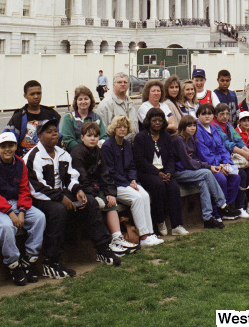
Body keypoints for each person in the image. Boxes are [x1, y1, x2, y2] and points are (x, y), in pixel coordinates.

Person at [25, 118, 121, 277]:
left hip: (60, 194)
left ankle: (102, 249)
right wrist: (61, 198)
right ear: (39, 136)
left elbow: (71, 178)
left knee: (89, 202)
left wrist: (77, 190)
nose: (54, 134)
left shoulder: (62, 154)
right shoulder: (33, 156)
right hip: (40, 199)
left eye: (55, 131)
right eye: (48, 132)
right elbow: (36, 187)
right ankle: (51, 261)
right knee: (58, 211)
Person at [0, 131, 46, 286]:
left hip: (16, 202)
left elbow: (24, 189)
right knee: (6, 227)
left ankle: (29, 259)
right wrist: (11, 213)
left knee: (39, 217)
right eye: (3, 147)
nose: (7, 150)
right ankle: (13, 264)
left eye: (10, 145)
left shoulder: (20, 163)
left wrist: (22, 211)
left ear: (16, 146)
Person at [70, 122, 138, 256]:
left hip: (96, 186)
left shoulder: (98, 151)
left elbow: (105, 174)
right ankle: (107, 243)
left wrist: (110, 192)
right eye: (89, 136)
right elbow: (81, 177)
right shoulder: (77, 152)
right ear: (82, 137)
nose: (93, 139)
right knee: (96, 204)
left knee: (111, 201)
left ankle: (117, 237)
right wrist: (93, 195)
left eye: (95, 136)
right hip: (81, 190)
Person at [101, 115, 163, 248]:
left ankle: (150, 233)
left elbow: (131, 166)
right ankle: (143, 236)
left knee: (145, 195)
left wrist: (133, 179)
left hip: (129, 182)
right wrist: (128, 182)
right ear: (114, 129)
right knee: (136, 198)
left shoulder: (127, 144)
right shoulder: (107, 146)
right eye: (119, 127)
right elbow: (110, 171)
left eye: (125, 127)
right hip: (115, 184)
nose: (122, 129)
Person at [132, 107, 189, 236]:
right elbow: (140, 161)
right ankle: (160, 221)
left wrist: (168, 172)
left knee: (173, 187)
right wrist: (157, 173)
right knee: (158, 185)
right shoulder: (141, 137)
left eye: (160, 120)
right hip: (147, 173)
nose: (157, 123)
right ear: (148, 121)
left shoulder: (165, 136)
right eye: (154, 120)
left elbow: (170, 157)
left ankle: (176, 225)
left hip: (165, 172)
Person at [171, 114, 231, 228]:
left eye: (194, 125)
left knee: (203, 184)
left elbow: (195, 159)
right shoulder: (179, 140)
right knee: (207, 173)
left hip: (190, 172)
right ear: (183, 127)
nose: (193, 128)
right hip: (179, 172)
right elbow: (187, 162)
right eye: (189, 126)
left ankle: (207, 218)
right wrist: (208, 167)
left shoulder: (191, 138)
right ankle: (222, 204)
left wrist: (205, 165)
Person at [195, 103, 241, 218]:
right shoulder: (197, 130)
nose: (207, 116)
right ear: (198, 115)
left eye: (210, 113)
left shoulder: (214, 129)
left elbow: (222, 148)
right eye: (203, 114)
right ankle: (217, 211)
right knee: (221, 178)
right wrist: (219, 165)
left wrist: (227, 162)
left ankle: (228, 207)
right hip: (208, 165)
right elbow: (203, 153)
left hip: (222, 163)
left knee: (235, 175)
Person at [213, 103, 249, 217]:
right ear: (216, 115)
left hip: (232, 155)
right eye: (222, 114)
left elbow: (238, 139)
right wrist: (244, 153)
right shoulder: (215, 127)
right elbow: (227, 144)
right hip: (223, 158)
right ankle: (239, 206)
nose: (225, 116)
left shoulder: (228, 125)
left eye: (227, 114)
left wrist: (248, 152)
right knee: (240, 173)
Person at [6, 80, 61, 157]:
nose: (36, 96)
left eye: (38, 93)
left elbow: (57, 137)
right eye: (32, 94)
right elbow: (7, 139)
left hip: (47, 156)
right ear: (25, 96)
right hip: (24, 158)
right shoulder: (18, 117)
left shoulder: (51, 114)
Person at [61, 86, 107, 151]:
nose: (83, 102)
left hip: (95, 154)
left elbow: (103, 137)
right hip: (75, 155)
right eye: (80, 99)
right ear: (76, 102)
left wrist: (94, 149)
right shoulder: (69, 118)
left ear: (91, 100)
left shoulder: (97, 118)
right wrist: (83, 150)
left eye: (86, 99)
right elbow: (67, 139)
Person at [95, 72, 139, 139]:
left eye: (125, 82)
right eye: (119, 82)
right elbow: (102, 131)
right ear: (113, 85)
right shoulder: (106, 105)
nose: (122, 84)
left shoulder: (131, 103)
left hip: (132, 146)